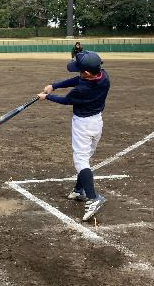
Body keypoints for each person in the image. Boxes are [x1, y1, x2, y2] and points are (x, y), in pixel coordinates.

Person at [38, 51, 110, 221]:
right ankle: (79, 190)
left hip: (83, 126)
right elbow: (77, 79)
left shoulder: (82, 89)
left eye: (79, 70)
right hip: (96, 123)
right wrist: (54, 85)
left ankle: (94, 198)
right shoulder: (103, 76)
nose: (77, 72)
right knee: (86, 157)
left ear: (86, 72)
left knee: (81, 160)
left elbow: (66, 100)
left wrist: (47, 96)